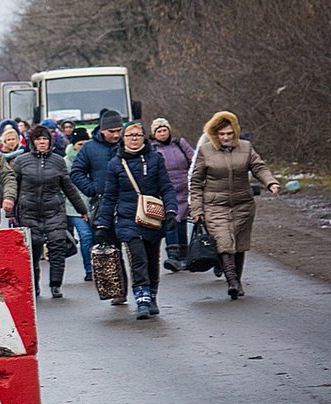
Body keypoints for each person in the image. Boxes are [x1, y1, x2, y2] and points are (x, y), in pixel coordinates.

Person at [189, 111, 280, 300]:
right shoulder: (206, 150)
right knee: (224, 242)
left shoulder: (246, 147)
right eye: (221, 134)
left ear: (235, 132)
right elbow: (196, 182)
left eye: (229, 133)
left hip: (242, 204)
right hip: (215, 205)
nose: (226, 137)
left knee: (239, 245)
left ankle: (237, 280)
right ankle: (232, 282)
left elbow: (259, 167)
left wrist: (270, 182)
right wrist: (197, 209)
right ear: (215, 134)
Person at [95, 121, 179, 319]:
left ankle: (152, 295)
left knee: (152, 258)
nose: (134, 139)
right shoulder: (115, 164)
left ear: (144, 138)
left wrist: (171, 210)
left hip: (152, 217)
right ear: (123, 139)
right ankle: (142, 298)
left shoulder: (155, 159)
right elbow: (109, 196)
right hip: (128, 218)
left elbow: (166, 187)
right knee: (138, 258)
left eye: (138, 135)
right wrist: (103, 224)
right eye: (130, 135)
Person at [12, 125, 89, 298]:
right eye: (38, 139)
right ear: (33, 142)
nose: (42, 142)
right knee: (33, 250)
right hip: (29, 212)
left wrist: (82, 210)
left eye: (45, 139)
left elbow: (69, 188)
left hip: (54, 211)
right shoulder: (21, 161)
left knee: (57, 248)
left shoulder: (58, 161)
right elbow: (13, 187)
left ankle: (56, 285)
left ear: (50, 141)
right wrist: (11, 211)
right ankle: (34, 285)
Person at [70, 109, 129, 304]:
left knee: (137, 250)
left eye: (119, 130)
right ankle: (118, 291)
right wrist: (92, 190)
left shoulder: (129, 143)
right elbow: (76, 172)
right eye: (112, 131)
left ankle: (144, 291)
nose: (116, 135)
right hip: (104, 206)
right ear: (102, 130)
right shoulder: (90, 148)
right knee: (111, 250)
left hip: (129, 202)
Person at [149, 118, 196, 272]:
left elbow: (194, 161)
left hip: (184, 188)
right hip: (166, 190)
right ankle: (173, 256)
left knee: (182, 221)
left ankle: (184, 256)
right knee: (171, 220)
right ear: (154, 134)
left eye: (164, 130)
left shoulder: (180, 144)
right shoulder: (152, 150)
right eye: (159, 131)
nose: (162, 134)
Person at [64, 127, 94, 281]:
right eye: (79, 144)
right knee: (86, 235)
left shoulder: (93, 158)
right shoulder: (65, 163)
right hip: (73, 207)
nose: (83, 147)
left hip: (93, 204)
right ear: (74, 145)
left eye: (85, 143)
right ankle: (89, 269)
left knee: (97, 237)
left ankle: (99, 267)